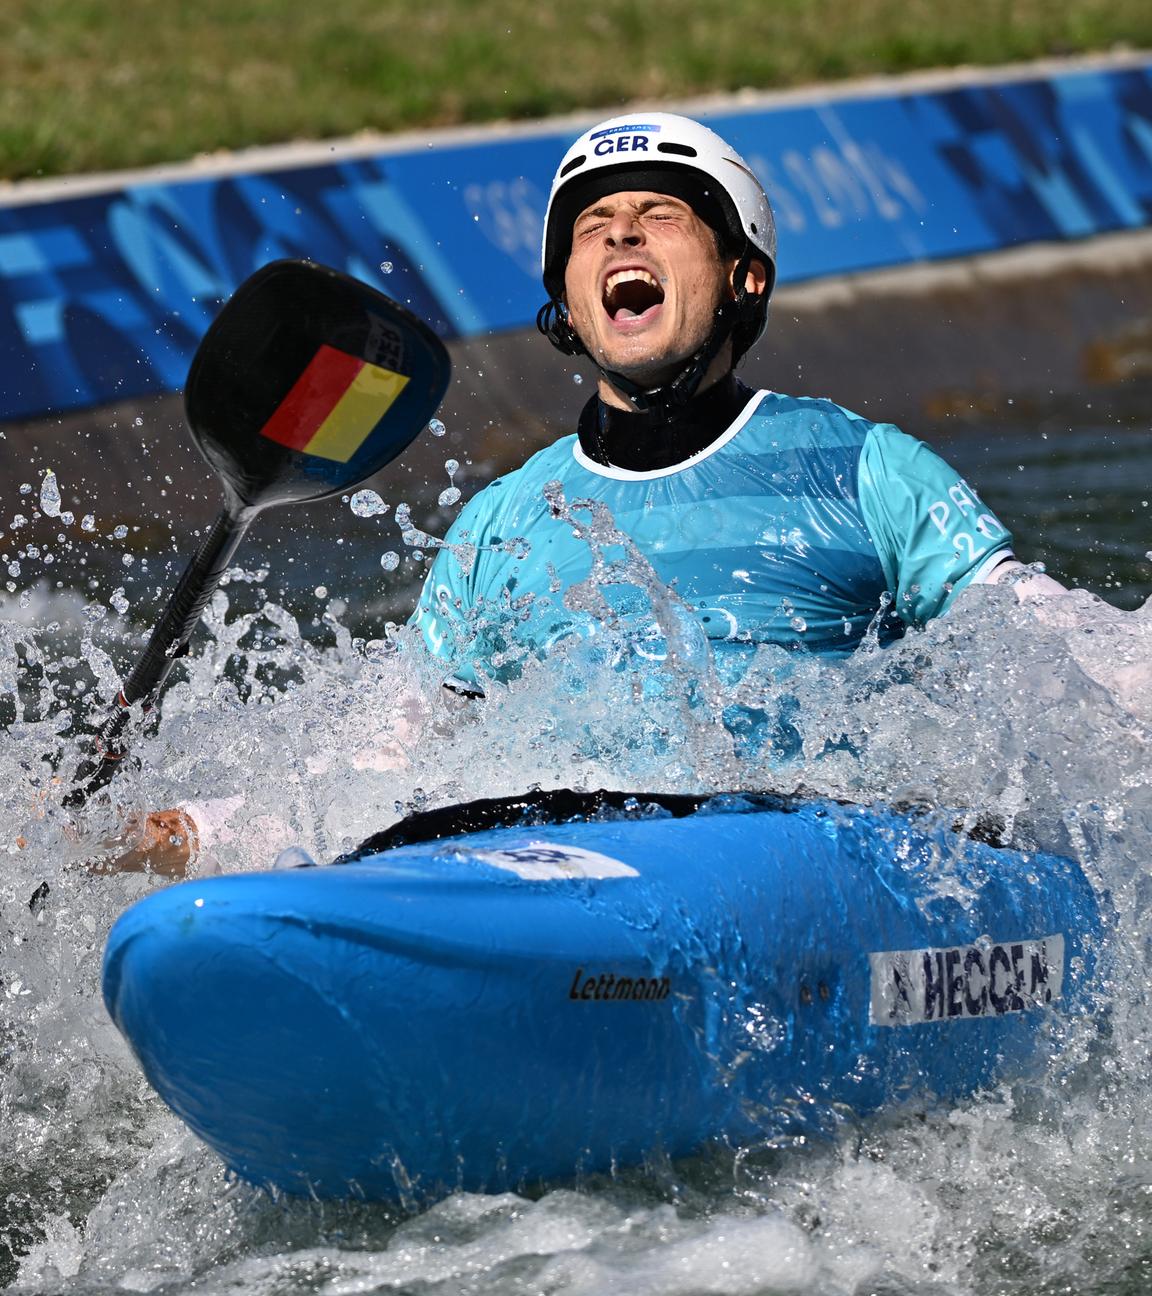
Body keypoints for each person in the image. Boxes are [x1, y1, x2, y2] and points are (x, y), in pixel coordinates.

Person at [104, 111, 1147, 876]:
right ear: (566, 301)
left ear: (744, 278)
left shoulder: (864, 467)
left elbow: (1050, 659)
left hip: (806, 873)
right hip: (569, 879)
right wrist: (173, 833)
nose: (621, 236)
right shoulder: (500, 526)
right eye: (593, 227)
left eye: (661, 217)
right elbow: (377, 759)